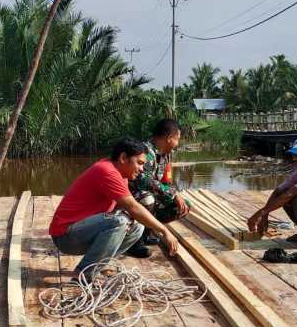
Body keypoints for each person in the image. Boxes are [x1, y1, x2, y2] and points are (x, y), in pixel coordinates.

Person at [49, 138, 179, 276]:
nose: (142, 169)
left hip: (82, 231)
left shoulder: (121, 175)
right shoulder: (107, 171)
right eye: (139, 163)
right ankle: (84, 273)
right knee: (120, 221)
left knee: (137, 227)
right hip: (65, 236)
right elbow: (132, 207)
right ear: (123, 158)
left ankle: (100, 264)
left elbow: (127, 208)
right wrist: (165, 231)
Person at [127, 118, 191, 257]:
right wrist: (171, 194)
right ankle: (133, 242)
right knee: (147, 199)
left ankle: (147, 233)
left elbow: (167, 180)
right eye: (177, 139)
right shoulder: (145, 151)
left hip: (151, 195)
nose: (178, 143)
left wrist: (175, 195)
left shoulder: (166, 155)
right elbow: (143, 180)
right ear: (169, 138)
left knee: (183, 206)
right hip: (130, 198)